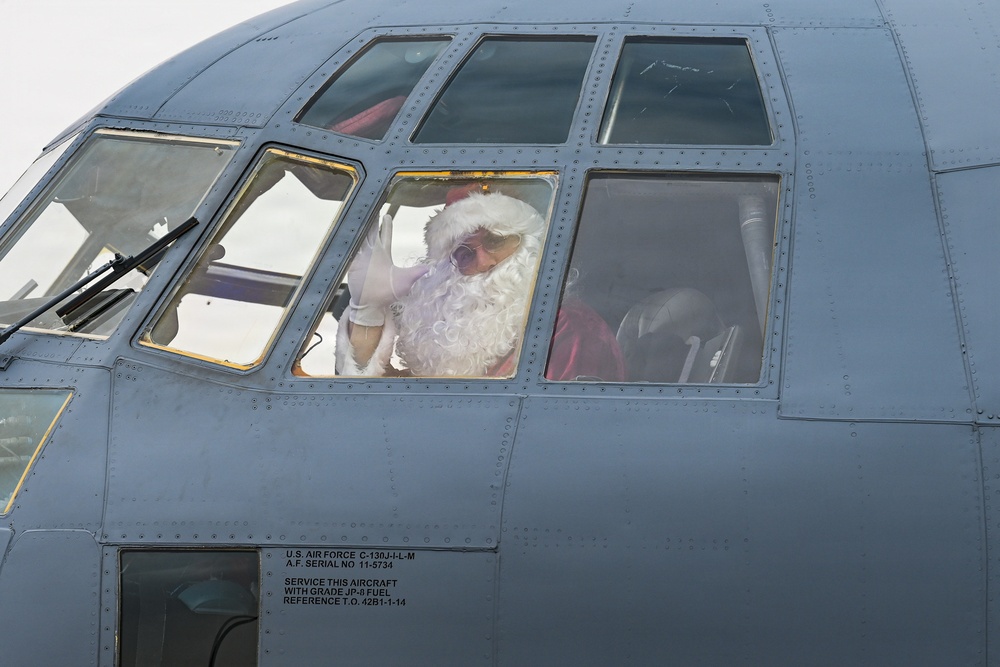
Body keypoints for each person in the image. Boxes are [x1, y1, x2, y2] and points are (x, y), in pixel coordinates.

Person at [336, 190, 625, 380]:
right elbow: (383, 399)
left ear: (530, 244)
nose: (484, 262)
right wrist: (366, 311)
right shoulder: (453, 327)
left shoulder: (569, 329)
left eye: (496, 241)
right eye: (465, 253)